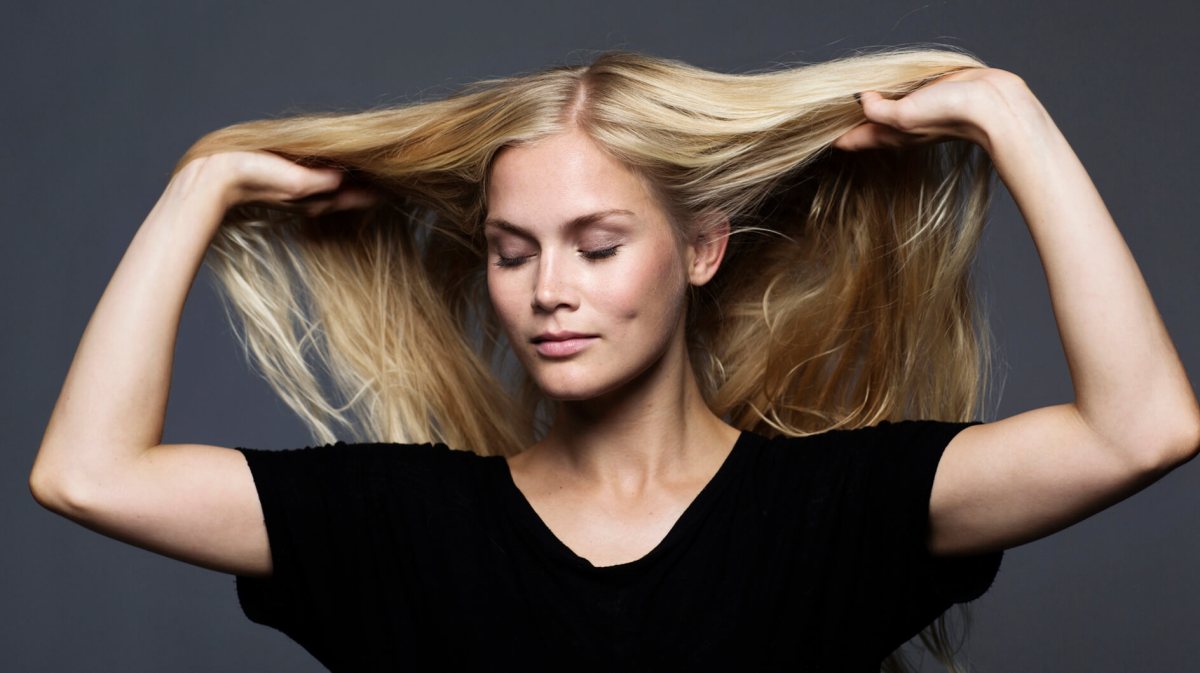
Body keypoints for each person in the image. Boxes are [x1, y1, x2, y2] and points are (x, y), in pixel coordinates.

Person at [29, 47, 1199, 672]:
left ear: (701, 249)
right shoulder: (403, 524)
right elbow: (87, 473)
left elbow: (1142, 428)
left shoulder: (833, 509)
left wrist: (1010, 114)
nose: (550, 288)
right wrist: (203, 185)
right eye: (512, 251)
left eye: (597, 246)